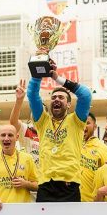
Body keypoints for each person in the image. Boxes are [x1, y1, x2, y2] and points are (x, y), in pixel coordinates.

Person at [26, 60, 92, 202]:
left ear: (68, 104)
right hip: (45, 185)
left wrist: (57, 79)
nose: (56, 99)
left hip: (69, 185)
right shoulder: (42, 121)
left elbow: (86, 95)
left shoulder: (76, 120)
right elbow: (32, 95)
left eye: (61, 98)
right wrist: (39, 71)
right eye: (53, 97)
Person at [0, 124, 38, 210]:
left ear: (17, 137)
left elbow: (38, 186)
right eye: (3, 135)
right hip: (0, 210)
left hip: (23, 210)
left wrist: (26, 184)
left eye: (10, 135)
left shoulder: (27, 158)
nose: (6, 138)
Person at [9, 79, 40, 167]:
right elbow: (13, 122)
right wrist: (19, 100)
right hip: (29, 172)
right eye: (34, 110)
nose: (37, 112)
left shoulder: (50, 131)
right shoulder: (27, 129)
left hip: (46, 173)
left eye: (40, 110)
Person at [80, 113, 107, 202]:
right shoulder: (71, 146)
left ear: (95, 127)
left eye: (87, 123)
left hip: (92, 203)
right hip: (70, 201)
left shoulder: (103, 148)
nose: (83, 125)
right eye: (80, 122)